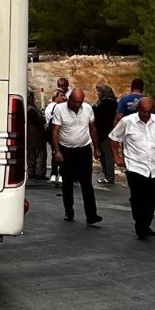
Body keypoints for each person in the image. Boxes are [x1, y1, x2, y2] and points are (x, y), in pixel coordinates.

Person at [108, 97, 155, 239]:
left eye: (149, 112)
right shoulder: (127, 122)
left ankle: (146, 224)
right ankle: (140, 224)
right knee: (138, 197)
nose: (146, 115)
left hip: (153, 165)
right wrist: (117, 157)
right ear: (138, 110)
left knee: (151, 199)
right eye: (143, 112)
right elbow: (113, 138)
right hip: (135, 166)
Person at [50, 88, 102, 225]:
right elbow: (55, 132)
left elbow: (93, 128)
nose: (78, 105)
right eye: (75, 102)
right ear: (69, 100)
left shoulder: (87, 109)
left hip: (84, 149)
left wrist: (96, 148)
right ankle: (69, 210)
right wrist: (57, 151)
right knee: (67, 182)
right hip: (66, 149)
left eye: (80, 102)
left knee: (87, 182)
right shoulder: (60, 109)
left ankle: (91, 215)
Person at [93, 84, 118, 184]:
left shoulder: (108, 103)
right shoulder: (103, 102)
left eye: (99, 92)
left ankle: (109, 177)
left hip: (106, 132)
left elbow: (100, 115)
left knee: (107, 156)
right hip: (101, 133)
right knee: (103, 155)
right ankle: (107, 176)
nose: (98, 94)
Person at [44, 89, 67, 182]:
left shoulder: (49, 107)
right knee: (61, 152)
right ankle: (60, 173)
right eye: (61, 96)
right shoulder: (58, 107)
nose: (63, 98)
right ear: (56, 96)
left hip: (52, 132)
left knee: (55, 152)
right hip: (58, 132)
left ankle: (54, 173)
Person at [26, 89, 48, 180]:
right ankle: (39, 173)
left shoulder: (28, 108)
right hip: (36, 135)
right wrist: (43, 117)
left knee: (31, 155)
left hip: (31, 136)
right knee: (39, 154)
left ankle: (32, 172)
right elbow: (41, 120)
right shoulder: (31, 109)